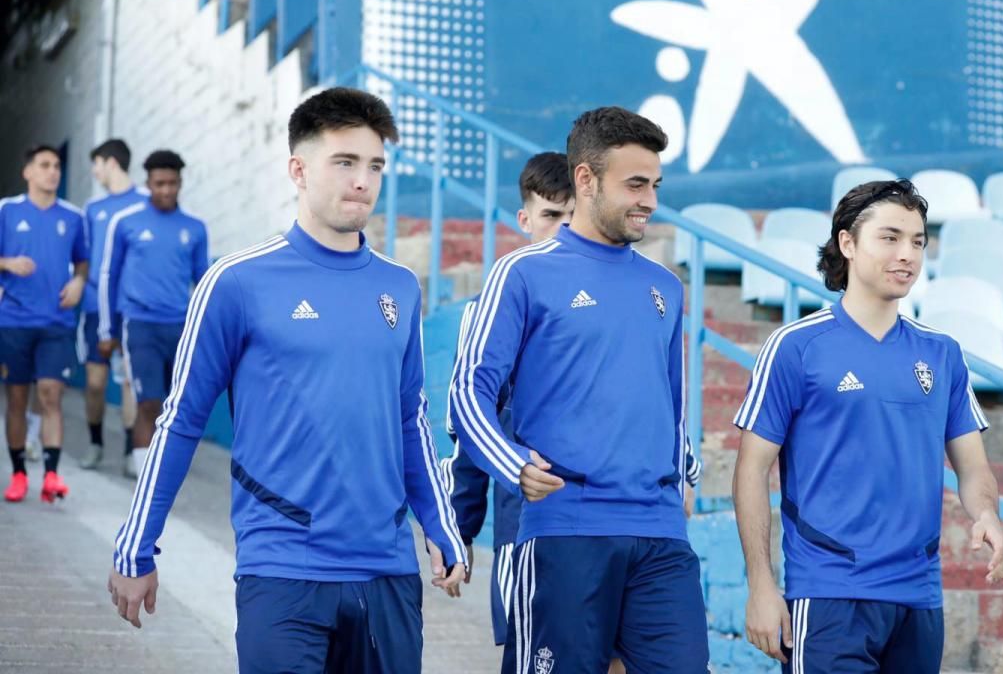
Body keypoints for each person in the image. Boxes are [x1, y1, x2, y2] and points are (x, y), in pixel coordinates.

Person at [106, 87, 466, 673]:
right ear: (298, 169)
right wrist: (136, 544)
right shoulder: (237, 282)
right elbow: (181, 421)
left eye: (374, 165)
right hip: (283, 570)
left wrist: (440, 525)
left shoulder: (400, 287)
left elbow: (410, 419)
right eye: (344, 162)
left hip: (388, 572)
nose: (363, 181)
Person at [450, 107, 709, 674]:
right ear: (586, 180)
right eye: (634, 184)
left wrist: (682, 468)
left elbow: (672, 401)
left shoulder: (665, 286)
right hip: (565, 530)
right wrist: (512, 464)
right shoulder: (522, 274)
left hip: (659, 533)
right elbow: (469, 393)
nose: (649, 200)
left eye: (655, 185)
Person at [732, 179, 1003, 673]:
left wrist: (986, 513)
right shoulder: (795, 347)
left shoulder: (941, 353)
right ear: (847, 243)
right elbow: (751, 470)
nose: (907, 253)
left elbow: (973, 468)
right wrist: (761, 584)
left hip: (919, 597)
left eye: (918, 241)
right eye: (890, 237)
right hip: (829, 592)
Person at [441, 151, 575, 649]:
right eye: (549, 216)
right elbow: (472, 431)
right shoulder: (490, 311)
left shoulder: (621, 299)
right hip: (526, 529)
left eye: (572, 216)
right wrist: (459, 530)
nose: (562, 230)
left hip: (611, 528)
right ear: (524, 221)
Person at [97, 150, 208, 477]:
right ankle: (145, 475)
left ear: (180, 183)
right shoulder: (126, 221)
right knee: (147, 402)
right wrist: (108, 330)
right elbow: (109, 276)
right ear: (148, 183)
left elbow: (204, 283)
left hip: (180, 328)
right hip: (140, 324)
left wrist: (208, 331)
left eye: (172, 183)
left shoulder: (195, 227)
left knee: (176, 407)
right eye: (159, 183)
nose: (166, 190)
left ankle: (162, 468)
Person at [0, 145, 88, 503]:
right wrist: (7, 263)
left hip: (56, 321)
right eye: (45, 165)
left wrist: (80, 281)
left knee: (51, 393)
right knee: (17, 398)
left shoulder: (73, 217)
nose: (53, 172)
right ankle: (19, 473)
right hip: (14, 321)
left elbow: (82, 261)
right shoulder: (7, 210)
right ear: (28, 172)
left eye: (57, 166)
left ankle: (51, 475)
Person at [79, 138, 145, 475]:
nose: (94, 171)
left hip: (132, 310)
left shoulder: (145, 203)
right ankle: (95, 443)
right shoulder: (92, 209)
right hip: (95, 308)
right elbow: (84, 259)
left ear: (110, 163)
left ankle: (131, 452)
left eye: (96, 164)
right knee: (94, 381)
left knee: (130, 381)